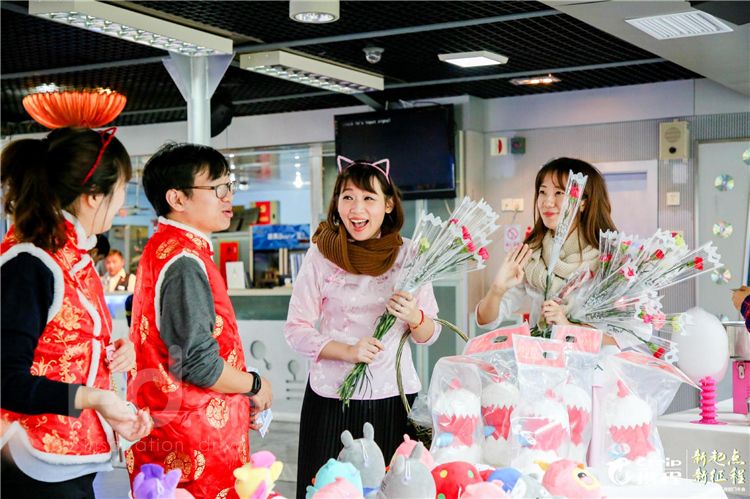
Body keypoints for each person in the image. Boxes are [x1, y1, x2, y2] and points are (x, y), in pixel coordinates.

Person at [0, 127, 151, 497]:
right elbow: (5, 380)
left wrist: (109, 355)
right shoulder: (29, 263)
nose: (122, 201)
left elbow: (59, 346)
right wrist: (92, 397)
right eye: (121, 189)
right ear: (93, 196)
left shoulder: (71, 257)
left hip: (69, 456)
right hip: (32, 459)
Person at [284, 157, 442, 498]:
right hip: (331, 398)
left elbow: (430, 335)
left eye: (369, 198)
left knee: (392, 491)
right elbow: (296, 329)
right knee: (328, 490)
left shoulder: (411, 255)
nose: (357, 209)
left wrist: (414, 316)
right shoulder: (321, 255)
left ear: (388, 205)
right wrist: (348, 351)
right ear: (337, 203)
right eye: (348, 197)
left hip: (393, 397)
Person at [127, 143, 272, 498]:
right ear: (177, 198)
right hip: (193, 446)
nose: (229, 196)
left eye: (229, 186)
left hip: (177, 433)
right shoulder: (184, 262)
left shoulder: (164, 247)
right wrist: (254, 385)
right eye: (217, 188)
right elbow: (198, 365)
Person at [475, 157, 617, 335]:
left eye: (559, 193)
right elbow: (486, 321)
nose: (548, 202)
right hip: (541, 352)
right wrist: (497, 288)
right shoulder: (531, 254)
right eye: (542, 192)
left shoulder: (608, 259)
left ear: (583, 202)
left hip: (589, 354)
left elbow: (620, 335)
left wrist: (568, 327)